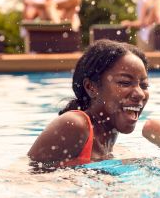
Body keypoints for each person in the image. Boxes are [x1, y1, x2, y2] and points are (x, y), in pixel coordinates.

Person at [28, 39, 149, 167]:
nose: (140, 94)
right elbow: (26, 177)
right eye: (125, 82)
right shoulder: (75, 124)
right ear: (91, 87)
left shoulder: (109, 131)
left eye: (144, 85)